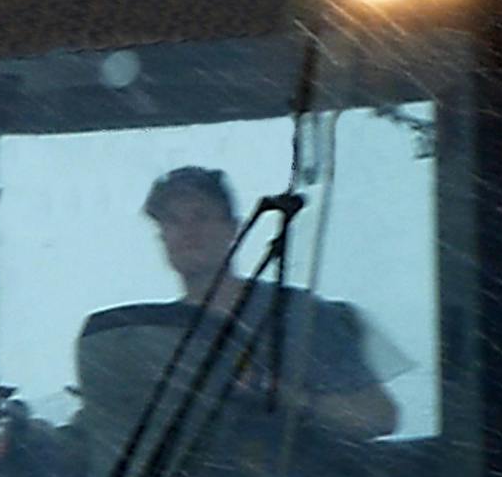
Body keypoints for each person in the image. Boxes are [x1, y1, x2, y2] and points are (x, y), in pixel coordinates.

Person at [71, 166, 399, 451]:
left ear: (233, 228)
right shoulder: (153, 336)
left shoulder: (297, 315)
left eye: (201, 215)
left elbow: (378, 416)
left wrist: (279, 394)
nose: (188, 231)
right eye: (173, 221)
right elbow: (111, 434)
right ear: (163, 238)